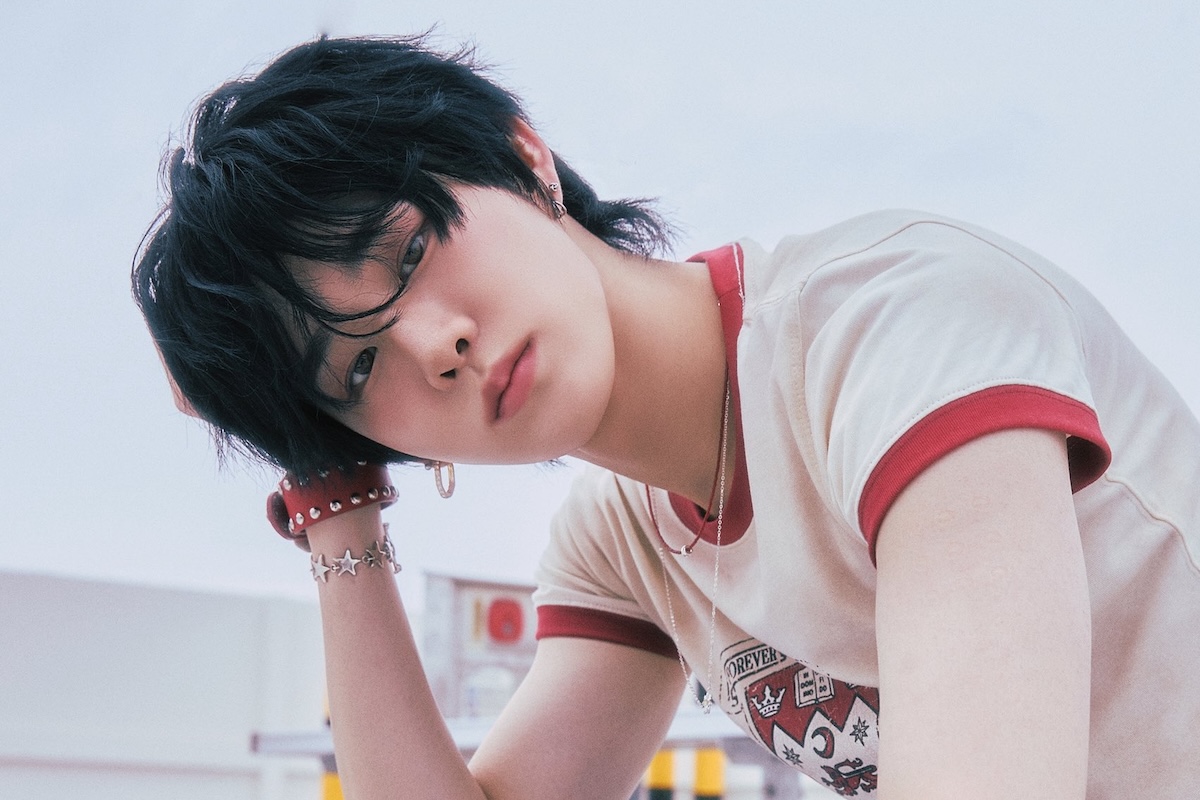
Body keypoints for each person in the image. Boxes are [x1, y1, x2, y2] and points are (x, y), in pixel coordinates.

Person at [133, 35, 1199, 800]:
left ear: (525, 161)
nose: (434, 346)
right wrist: (328, 490)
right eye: (360, 369)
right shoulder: (623, 540)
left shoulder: (896, 328)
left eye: (410, 250)